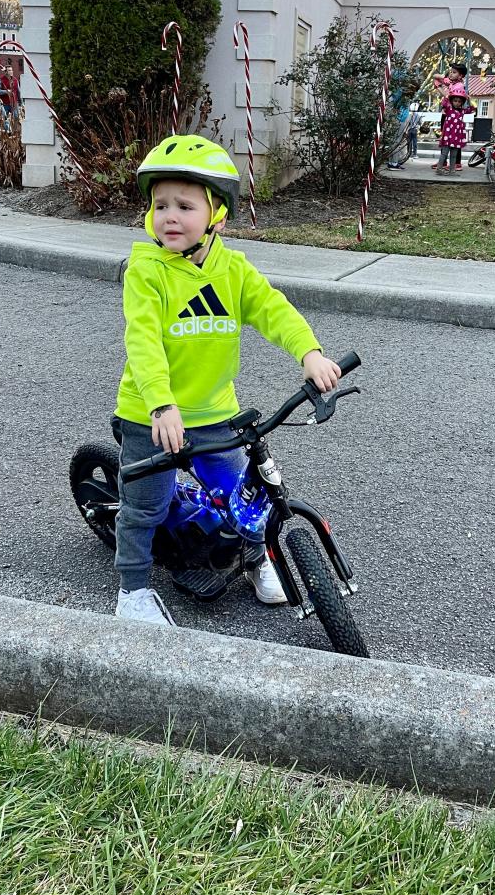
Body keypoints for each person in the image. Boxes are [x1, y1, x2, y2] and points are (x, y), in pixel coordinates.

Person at [113, 134, 342, 627]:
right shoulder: (146, 271)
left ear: (217, 215)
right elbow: (144, 341)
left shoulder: (232, 270)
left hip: (216, 413)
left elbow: (272, 309)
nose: (169, 216)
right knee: (143, 509)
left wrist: (309, 352)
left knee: (247, 495)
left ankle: (259, 560)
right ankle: (132, 590)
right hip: (151, 415)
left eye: (185, 206)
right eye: (160, 205)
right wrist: (159, 404)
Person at [433, 65, 473, 175]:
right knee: (447, 143)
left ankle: (455, 164)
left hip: (451, 115)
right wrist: (442, 78)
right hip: (448, 115)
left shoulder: (459, 86)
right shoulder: (451, 82)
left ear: (461, 75)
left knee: (453, 146)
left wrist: (444, 91)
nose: (451, 74)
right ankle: (444, 163)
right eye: (450, 72)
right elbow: (435, 77)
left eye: (454, 72)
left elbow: (451, 98)